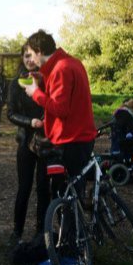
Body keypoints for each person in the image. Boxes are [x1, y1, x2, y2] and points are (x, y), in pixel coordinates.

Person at [22, 30, 97, 193]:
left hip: (71, 139)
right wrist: (42, 82)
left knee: (67, 195)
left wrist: (35, 93)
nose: (31, 60)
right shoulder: (72, 62)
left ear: (39, 52)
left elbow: (60, 108)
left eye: (31, 55)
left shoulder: (60, 69)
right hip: (83, 136)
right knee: (76, 189)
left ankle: (72, 219)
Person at [6, 54, 48, 246]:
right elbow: (11, 113)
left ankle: (42, 231)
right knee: (24, 187)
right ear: (22, 59)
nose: (29, 59)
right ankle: (17, 230)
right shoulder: (16, 83)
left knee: (43, 188)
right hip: (25, 140)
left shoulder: (46, 79)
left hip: (47, 139)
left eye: (32, 56)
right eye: (26, 56)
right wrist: (30, 122)